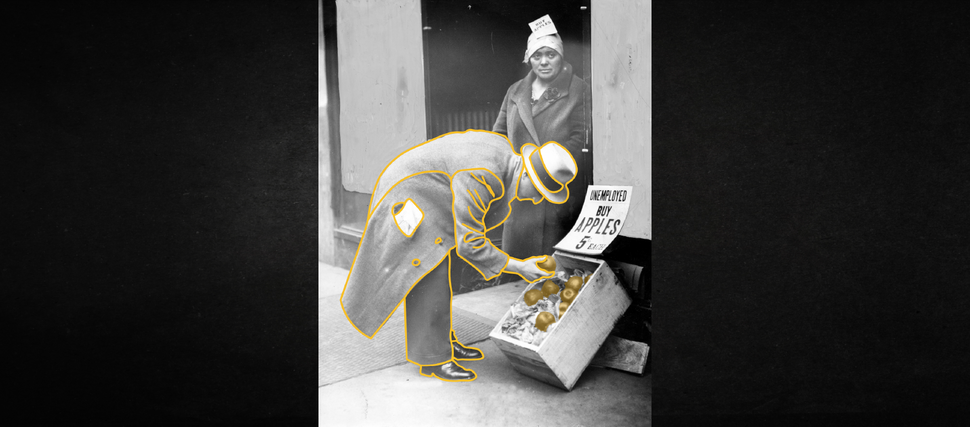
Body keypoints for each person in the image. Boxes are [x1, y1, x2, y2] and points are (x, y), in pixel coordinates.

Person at [340, 130, 578, 382]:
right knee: (429, 269)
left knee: (444, 270)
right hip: (407, 194)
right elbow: (470, 244)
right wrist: (518, 267)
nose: (536, 199)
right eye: (539, 191)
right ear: (528, 173)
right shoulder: (483, 174)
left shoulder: (504, 155)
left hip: (426, 192)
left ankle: (443, 342)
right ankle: (433, 360)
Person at [493, 17, 592, 261]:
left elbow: (580, 138)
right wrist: (513, 171)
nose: (544, 61)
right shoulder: (515, 90)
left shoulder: (579, 89)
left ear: (561, 56)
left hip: (555, 186)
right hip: (520, 187)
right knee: (518, 266)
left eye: (551, 54)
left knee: (552, 267)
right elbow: (498, 135)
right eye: (537, 56)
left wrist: (546, 167)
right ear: (529, 59)